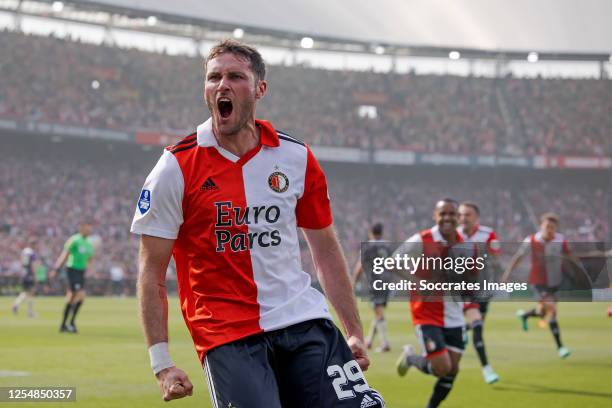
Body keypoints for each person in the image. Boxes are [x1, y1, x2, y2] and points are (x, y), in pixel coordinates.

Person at [131, 39, 384, 408]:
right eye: (214, 77)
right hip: (229, 335)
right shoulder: (175, 167)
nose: (222, 85)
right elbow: (151, 268)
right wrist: (162, 364)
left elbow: (325, 249)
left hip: (303, 319)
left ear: (260, 88)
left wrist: (354, 331)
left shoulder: (295, 157)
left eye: (236, 76)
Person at [395, 199, 467, 408]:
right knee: (442, 366)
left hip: (454, 314)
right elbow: (393, 261)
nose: (447, 218)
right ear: (435, 216)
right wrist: (418, 282)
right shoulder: (422, 239)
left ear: (457, 217)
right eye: (443, 213)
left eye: (452, 214)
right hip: (426, 313)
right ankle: (410, 359)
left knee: (452, 369)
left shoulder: (463, 243)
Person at [502, 213, 576, 358]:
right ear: (541, 226)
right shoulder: (531, 240)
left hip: (555, 283)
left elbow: (570, 257)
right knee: (552, 310)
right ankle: (561, 348)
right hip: (538, 282)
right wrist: (507, 275)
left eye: (552, 227)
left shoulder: (560, 240)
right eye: (547, 226)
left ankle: (524, 315)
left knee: (543, 312)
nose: (549, 229)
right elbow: (518, 257)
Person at [457, 201, 500, 384]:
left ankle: (460, 330)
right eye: (461, 215)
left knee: (478, 323)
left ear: (476, 218)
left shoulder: (488, 234)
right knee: (477, 325)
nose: (463, 218)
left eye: (468, 215)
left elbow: (496, 260)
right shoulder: (452, 235)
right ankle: (486, 368)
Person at [351, 223, 393, 352]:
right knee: (378, 311)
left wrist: (353, 281)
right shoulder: (388, 245)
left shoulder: (368, 246)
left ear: (371, 232)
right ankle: (369, 340)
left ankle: (385, 343)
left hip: (375, 281)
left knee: (378, 311)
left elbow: (361, 265)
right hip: (387, 280)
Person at [50, 222, 95, 333]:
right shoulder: (74, 240)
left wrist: (90, 269)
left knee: (71, 298)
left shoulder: (89, 243)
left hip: (81, 272)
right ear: (81, 229)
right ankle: (71, 323)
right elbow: (64, 254)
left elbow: (90, 258)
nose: (89, 230)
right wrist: (56, 268)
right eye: (87, 228)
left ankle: (63, 325)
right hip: (72, 270)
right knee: (81, 296)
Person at [12, 239, 41, 318]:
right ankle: (30, 312)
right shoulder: (32, 253)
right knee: (31, 293)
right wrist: (35, 276)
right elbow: (32, 265)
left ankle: (16, 304)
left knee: (26, 292)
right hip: (29, 275)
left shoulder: (24, 251)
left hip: (24, 274)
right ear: (34, 245)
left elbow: (22, 262)